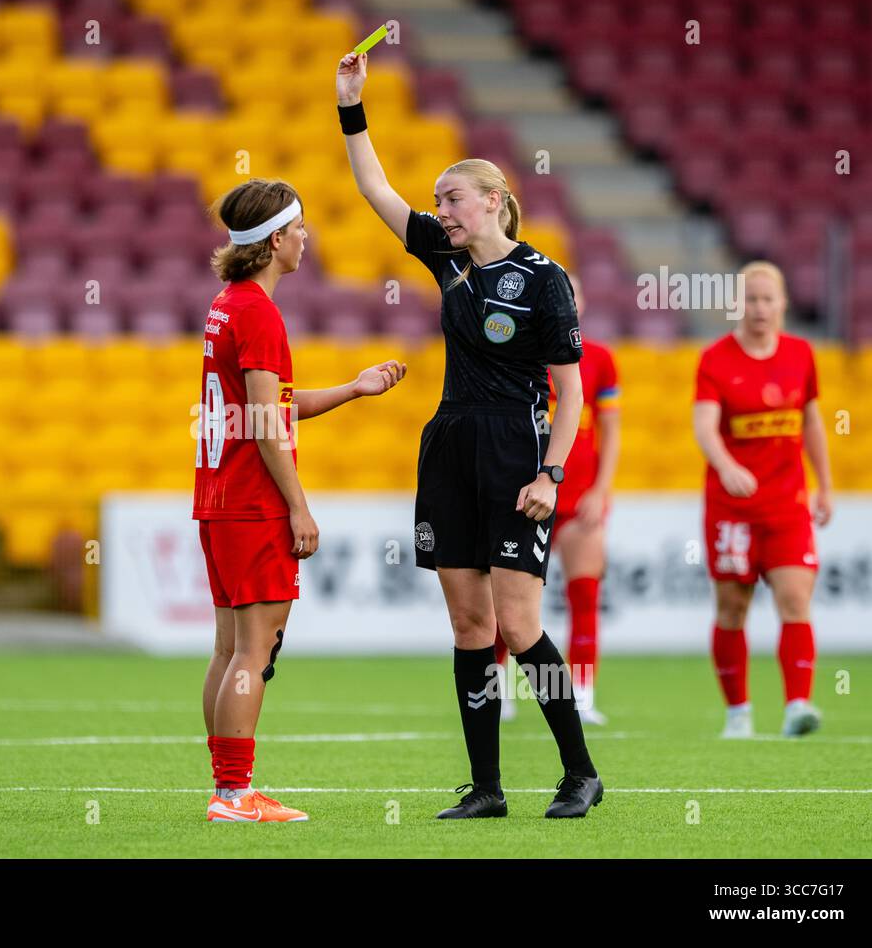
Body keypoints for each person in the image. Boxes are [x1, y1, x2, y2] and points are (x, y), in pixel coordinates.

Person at [337, 51, 603, 818]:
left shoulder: (545, 278)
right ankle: (487, 788)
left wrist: (549, 475)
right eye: (437, 202)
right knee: (469, 623)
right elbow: (371, 186)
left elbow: (572, 392)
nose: (440, 211)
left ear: (492, 200)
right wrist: (352, 106)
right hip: (449, 443)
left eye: (451, 199)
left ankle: (579, 771)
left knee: (519, 624)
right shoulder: (441, 257)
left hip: (515, 449)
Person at [196, 177, 407, 822]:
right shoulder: (259, 312)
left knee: (230, 648)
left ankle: (228, 786)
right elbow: (265, 423)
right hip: (253, 503)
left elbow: (271, 405)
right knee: (253, 651)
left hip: (218, 496)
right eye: (299, 228)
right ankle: (234, 794)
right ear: (275, 240)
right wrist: (298, 505)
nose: (306, 237)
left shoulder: (229, 304)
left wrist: (352, 389)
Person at [693, 260, 831, 739]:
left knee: (795, 598)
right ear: (738, 305)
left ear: (783, 304)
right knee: (733, 608)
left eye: (767, 299)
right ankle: (739, 712)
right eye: (750, 299)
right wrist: (727, 465)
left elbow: (811, 421)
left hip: (787, 504)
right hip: (732, 507)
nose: (759, 308)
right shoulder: (715, 359)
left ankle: (797, 705)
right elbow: (704, 425)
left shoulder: (801, 355)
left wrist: (825, 485)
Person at [494, 275, 620, 725]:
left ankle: (582, 693)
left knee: (584, 595)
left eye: (572, 295)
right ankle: (498, 690)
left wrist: (601, 491)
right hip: (525, 494)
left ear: (581, 303)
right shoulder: (516, 352)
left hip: (580, 498)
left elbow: (611, 432)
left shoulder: (601, 359)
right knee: (507, 603)